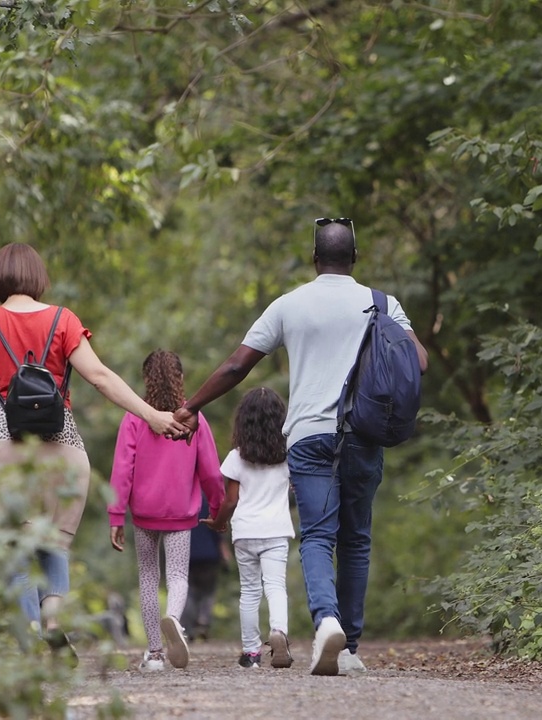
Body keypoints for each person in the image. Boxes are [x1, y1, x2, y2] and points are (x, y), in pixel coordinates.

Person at [175, 217, 428, 676]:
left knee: (316, 535)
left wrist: (192, 405)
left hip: (309, 437)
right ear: (354, 258)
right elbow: (419, 360)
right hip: (363, 433)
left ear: (314, 260)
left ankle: (325, 621)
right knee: (356, 540)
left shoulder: (289, 305)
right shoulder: (382, 303)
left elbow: (237, 366)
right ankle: (348, 646)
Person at [0, 243, 188, 661]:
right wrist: (152, 414)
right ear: (37, 277)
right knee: (54, 544)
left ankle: (28, 635)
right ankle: (52, 621)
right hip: (59, 443)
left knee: (13, 544)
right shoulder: (63, 321)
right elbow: (99, 377)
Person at [108, 350, 226, 672]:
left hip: (144, 514)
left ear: (146, 379)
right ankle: (173, 619)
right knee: (177, 575)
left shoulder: (135, 418)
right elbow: (212, 472)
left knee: (148, 576)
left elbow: (122, 471)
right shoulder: (194, 419)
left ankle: (155, 654)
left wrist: (116, 515)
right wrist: (217, 507)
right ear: (181, 378)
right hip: (180, 513)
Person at [204, 387, 295, 670]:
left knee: (250, 592)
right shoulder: (288, 456)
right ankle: (279, 632)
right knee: (276, 586)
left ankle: (251, 654)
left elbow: (230, 500)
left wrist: (218, 523)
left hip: (245, 532)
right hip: (276, 530)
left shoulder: (236, 457)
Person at [179, 498, 232, 643]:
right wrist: (225, 554)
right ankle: (203, 620)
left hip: (187, 554)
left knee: (189, 592)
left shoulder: (183, 500)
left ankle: (186, 628)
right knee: (208, 591)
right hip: (210, 554)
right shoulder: (210, 501)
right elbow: (218, 531)